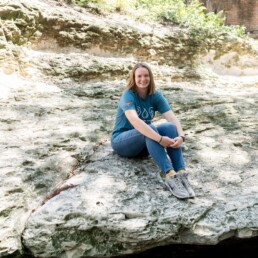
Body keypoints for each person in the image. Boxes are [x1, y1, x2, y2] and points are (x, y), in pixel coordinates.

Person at [111, 62, 195, 199]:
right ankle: (169, 175)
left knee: (170, 127)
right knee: (149, 127)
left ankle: (181, 173)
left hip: (145, 144)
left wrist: (181, 136)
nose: (143, 79)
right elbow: (135, 121)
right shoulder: (128, 95)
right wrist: (160, 139)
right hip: (122, 142)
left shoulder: (155, 95)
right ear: (133, 78)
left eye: (146, 75)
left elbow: (171, 118)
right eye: (139, 76)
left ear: (150, 77)